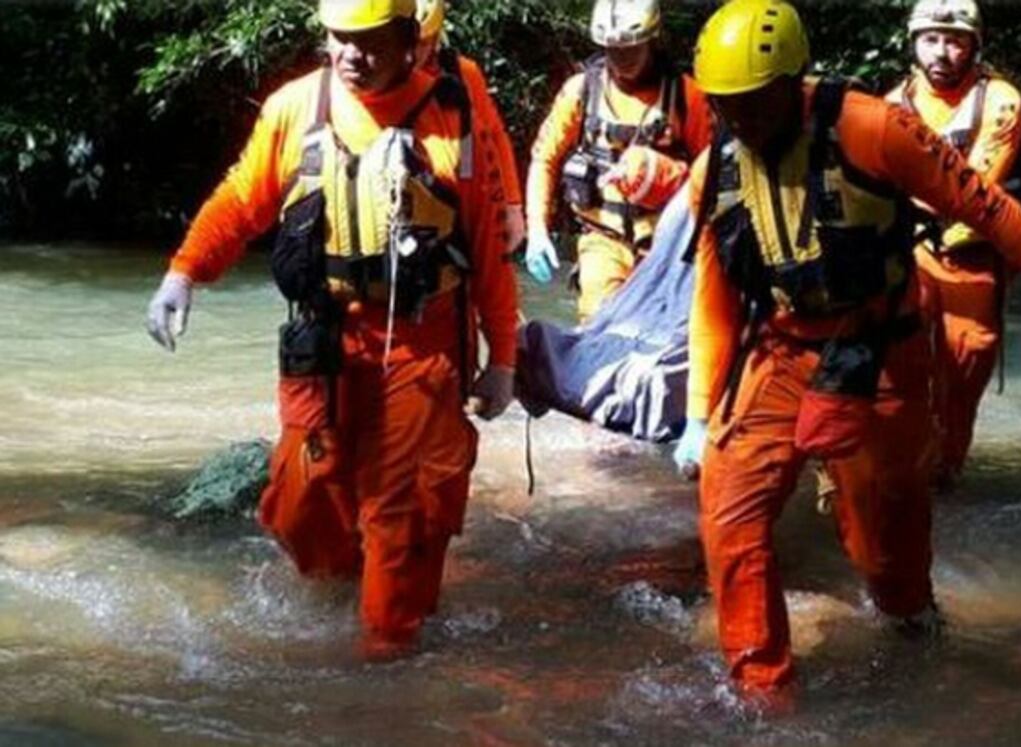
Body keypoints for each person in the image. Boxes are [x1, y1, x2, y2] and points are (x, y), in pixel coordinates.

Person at [672, 0, 1021, 699]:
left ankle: (911, 623)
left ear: (793, 83)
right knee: (728, 508)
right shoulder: (715, 170)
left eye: (755, 102)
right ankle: (763, 691)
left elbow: (987, 208)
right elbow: (714, 299)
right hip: (779, 350)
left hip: (880, 351)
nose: (741, 119)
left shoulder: (874, 128)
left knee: (882, 542)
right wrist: (697, 411)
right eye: (726, 105)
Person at [145, 0, 519, 660]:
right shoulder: (295, 107)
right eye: (340, 39)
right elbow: (241, 199)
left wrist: (504, 359)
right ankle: (355, 579)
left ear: (409, 39)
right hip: (323, 340)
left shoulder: (452, 113)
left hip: (421, 340)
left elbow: (487, 245)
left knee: (398, 511)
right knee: (300, 501)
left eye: (370, 41)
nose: (351, 54)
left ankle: (386, 661)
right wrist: (185, 271)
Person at [886, 0, 1021, 487]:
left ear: (974, 46)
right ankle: (898, 465)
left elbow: (977, 186)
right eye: (931, 39)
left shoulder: (1000, 101)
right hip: (910, 253)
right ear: (914, 43)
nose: (942, 52)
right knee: (898, 363)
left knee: (965, 370)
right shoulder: (892, 103)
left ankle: (944, 474)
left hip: (972, 255)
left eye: (954, 40)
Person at [524, 0, 712, 319]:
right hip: (602, 240)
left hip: (666, 246)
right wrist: (538, 229)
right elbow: (545, 160)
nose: (621, 59)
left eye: (630, 50)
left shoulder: (686, 96)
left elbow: (713, 172)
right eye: (613, 51)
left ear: (651, 41)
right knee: (600, 328)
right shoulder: (580, 92)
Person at [414, 0, 526, 261]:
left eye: (422, 43)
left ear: (435, 39)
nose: (413, 53)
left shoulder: (463, 74)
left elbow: (495, 137)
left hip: (460, 205)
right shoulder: (373, 76)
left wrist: (512, 206)